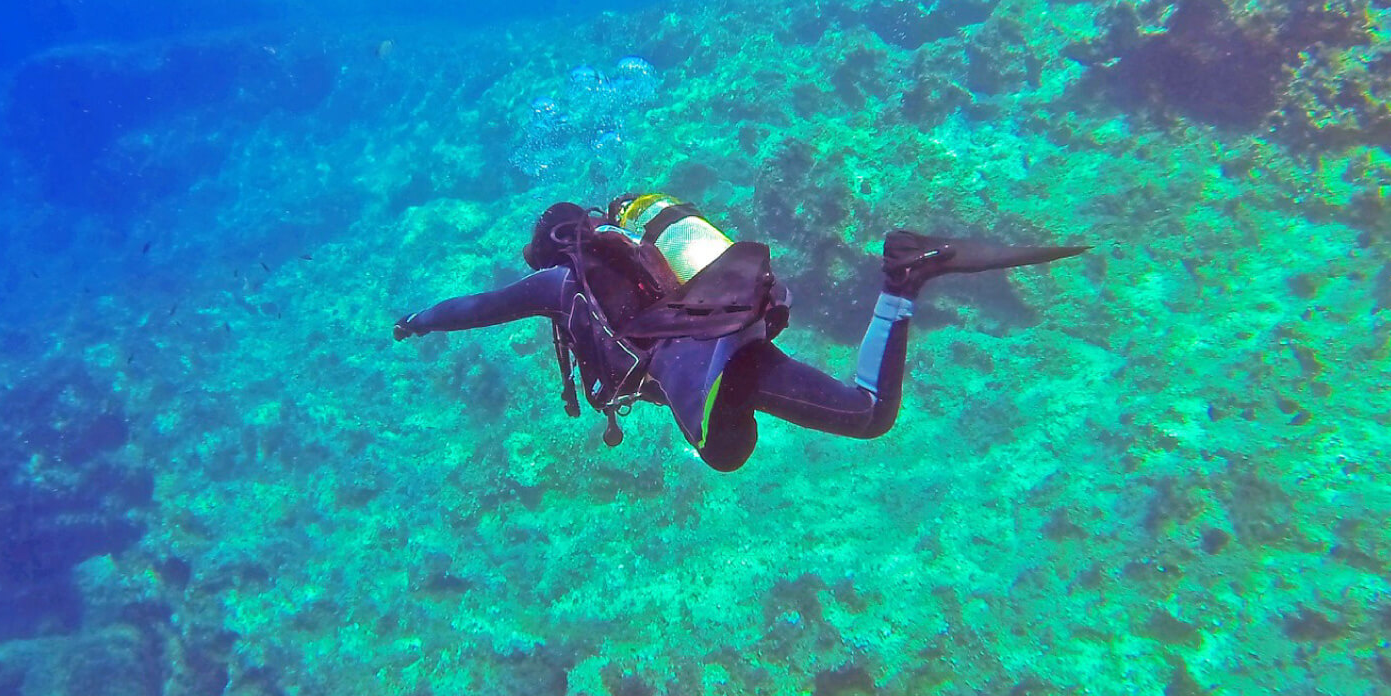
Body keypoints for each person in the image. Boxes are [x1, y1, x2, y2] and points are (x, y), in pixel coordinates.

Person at [392, 193, 1086, 472]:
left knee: (766, 441)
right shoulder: (635, 259)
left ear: (551, 249)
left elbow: (478, 307)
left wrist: (421, 320)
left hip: (702, 360)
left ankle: (902, 274)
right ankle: (902, 275)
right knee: (862, 414)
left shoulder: (556, 284)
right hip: (724, 333)